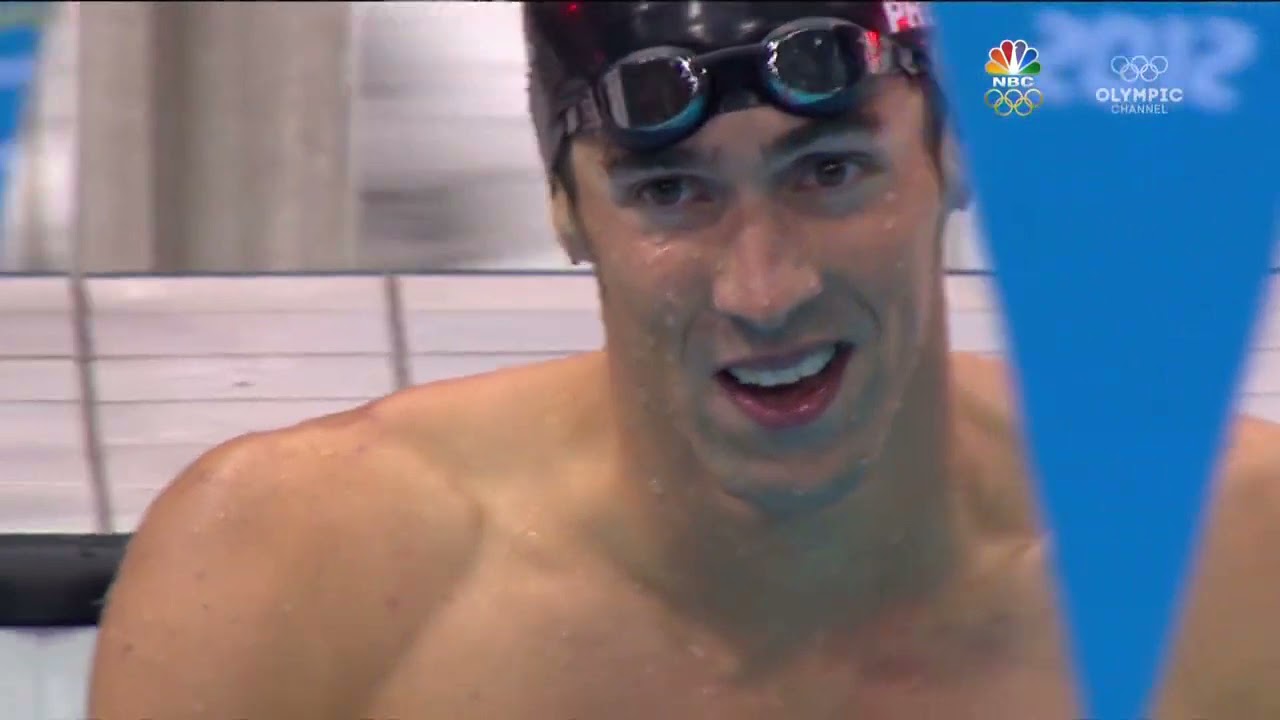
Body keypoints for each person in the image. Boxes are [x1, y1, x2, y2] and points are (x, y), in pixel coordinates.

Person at [88, 2, 1280, 718]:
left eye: (827, 172)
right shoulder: (288, 579)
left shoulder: (1227, 567)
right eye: (670, 192)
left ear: (954, 153)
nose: (763, 287)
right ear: (564, 206)